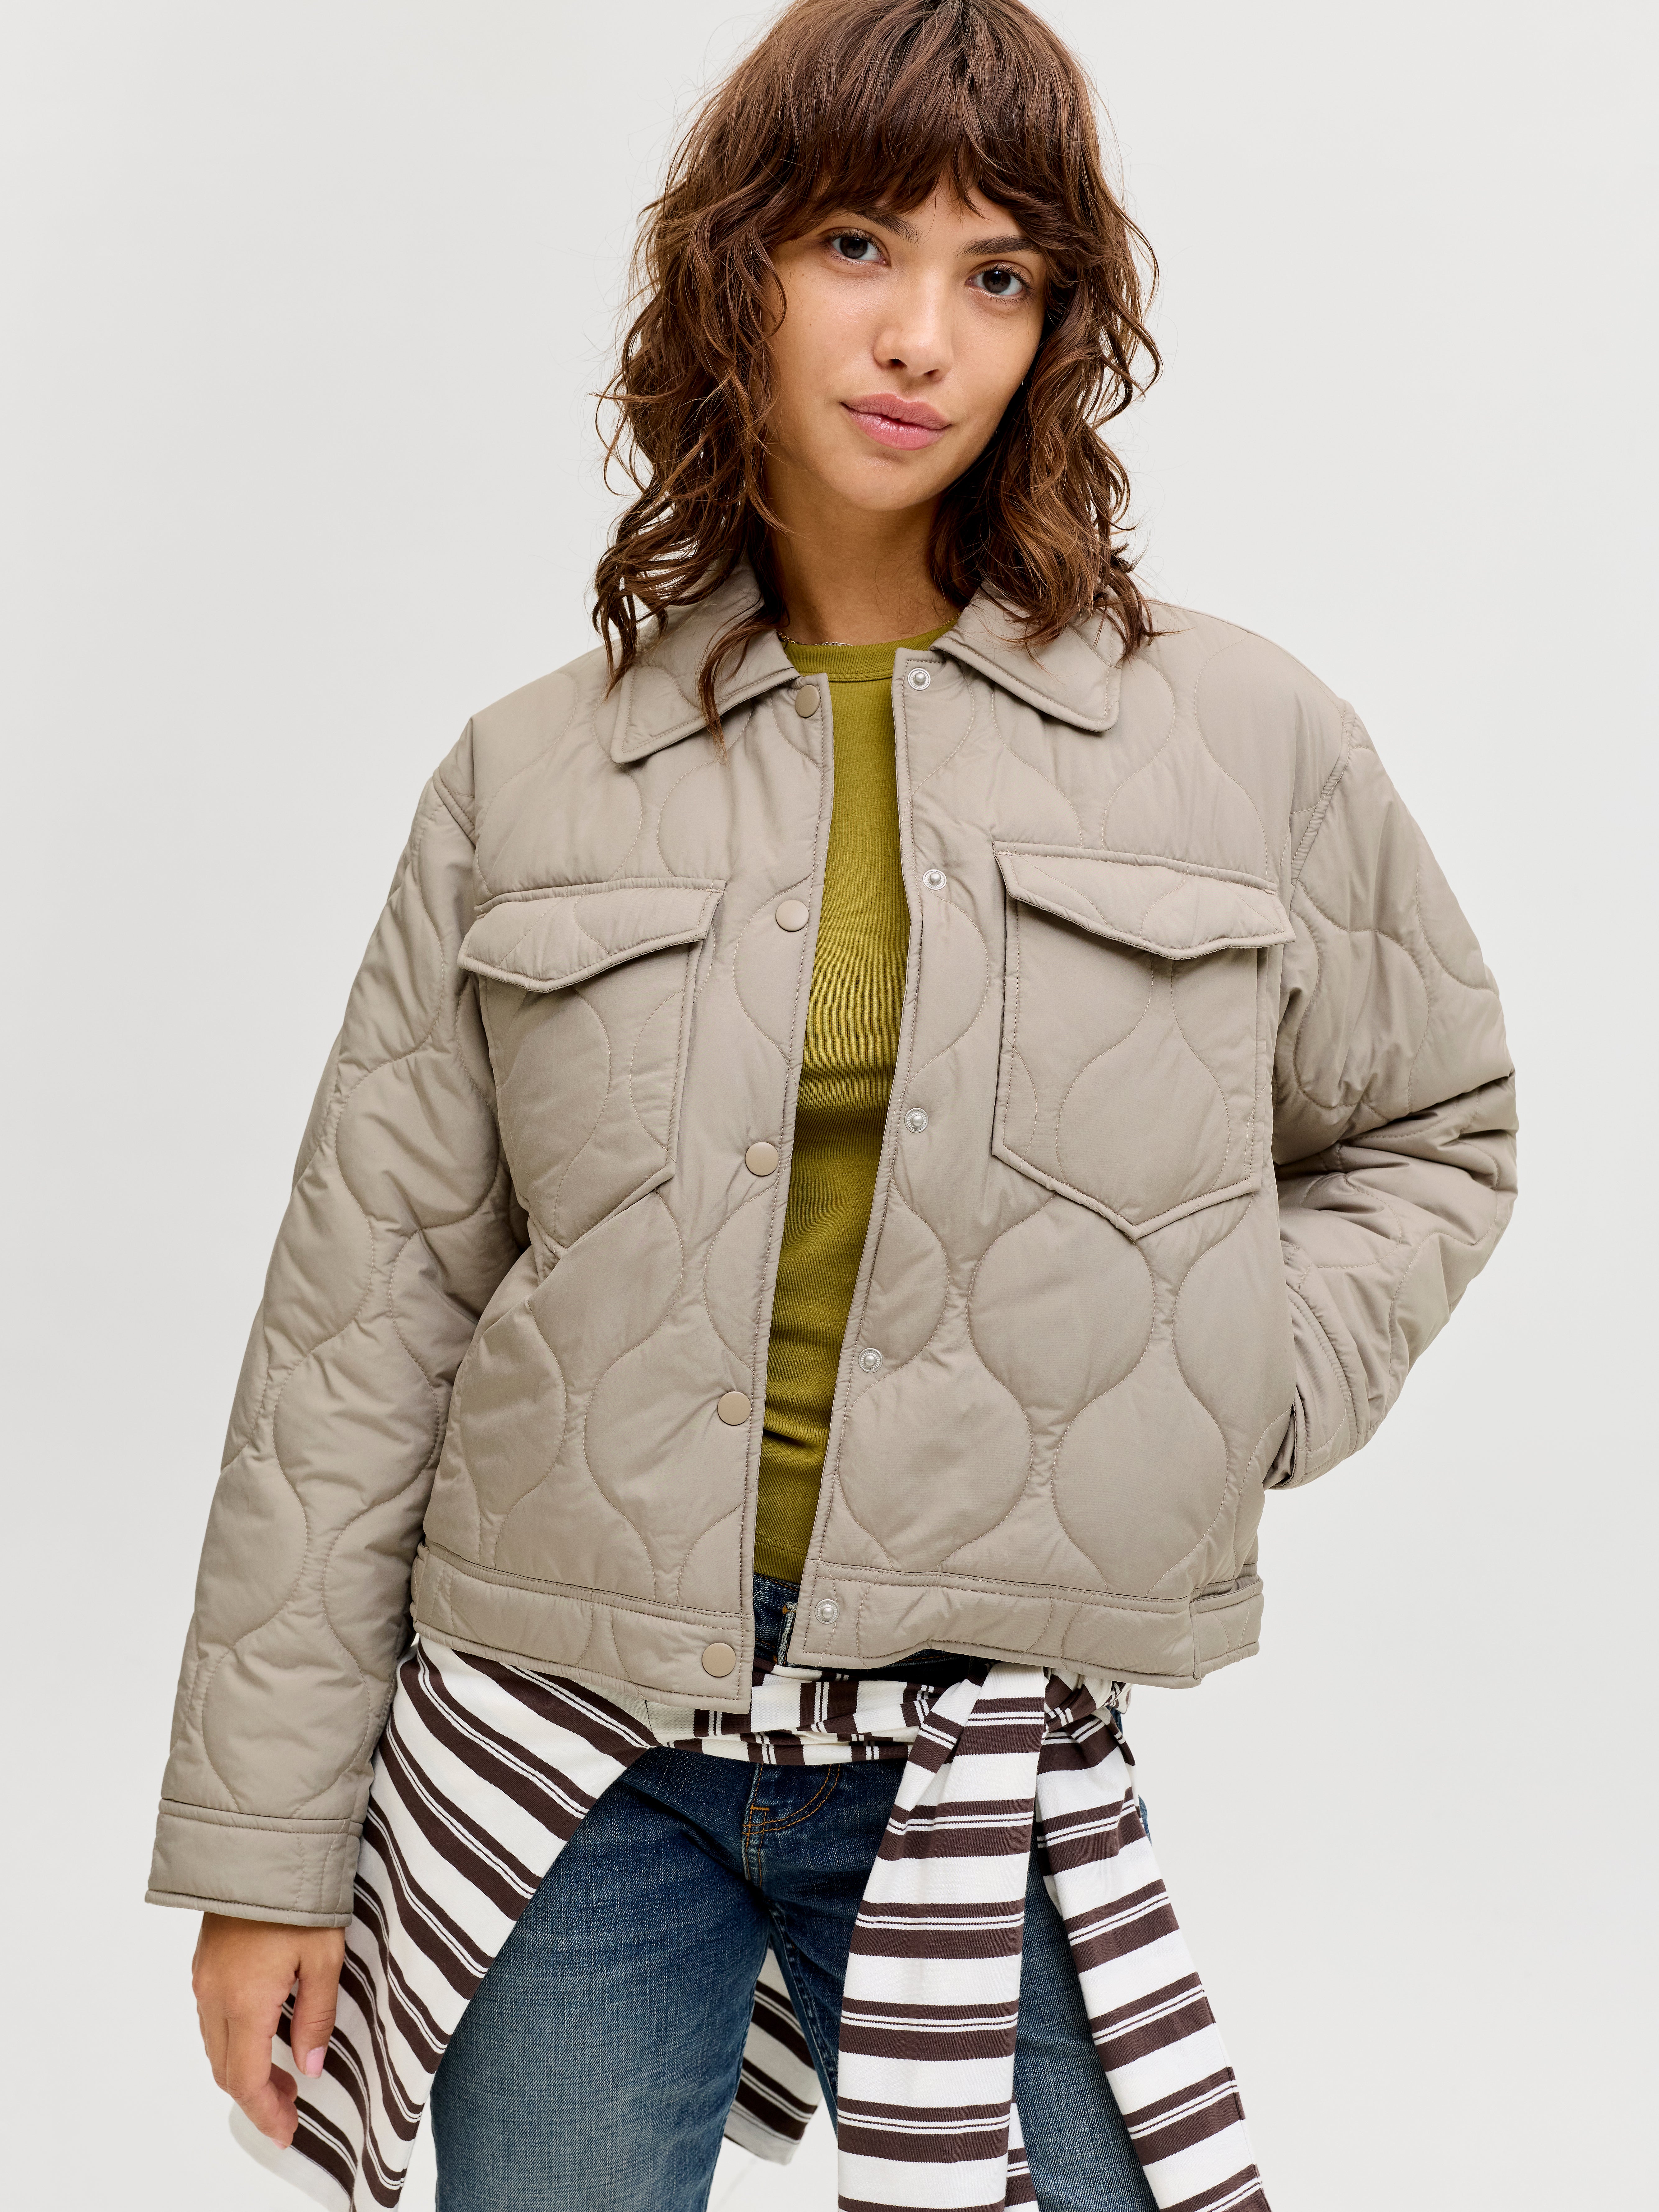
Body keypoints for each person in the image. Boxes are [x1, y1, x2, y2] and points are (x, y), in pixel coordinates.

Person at [151, 2, 1517, 2207]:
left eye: (1001, 274)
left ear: (1059, 328)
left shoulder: (1243, 739)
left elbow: (1434, 1126)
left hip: (979, 1757)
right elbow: (363, 1322)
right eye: (858, 243)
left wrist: (1233, 1375)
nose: (920, 338)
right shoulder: (529, 775)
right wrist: (265, 1852)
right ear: (739, 272)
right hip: (560, 1751)